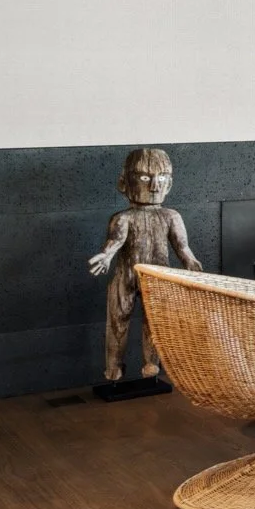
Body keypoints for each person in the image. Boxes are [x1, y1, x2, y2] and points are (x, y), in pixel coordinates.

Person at [87, 148, 202, 380]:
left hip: (158, 278)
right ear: (124, 182)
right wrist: (106, 256)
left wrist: (191, 262)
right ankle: (114, 366)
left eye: (161, 178)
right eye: (144, 178)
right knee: (118, 320)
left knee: (155, 322)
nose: (154, 186)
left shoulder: (171, 216)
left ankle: (151, 363)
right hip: (125, 276)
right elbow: (115, 242)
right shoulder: (124, 218)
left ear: (169, 183)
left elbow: (182, 247)